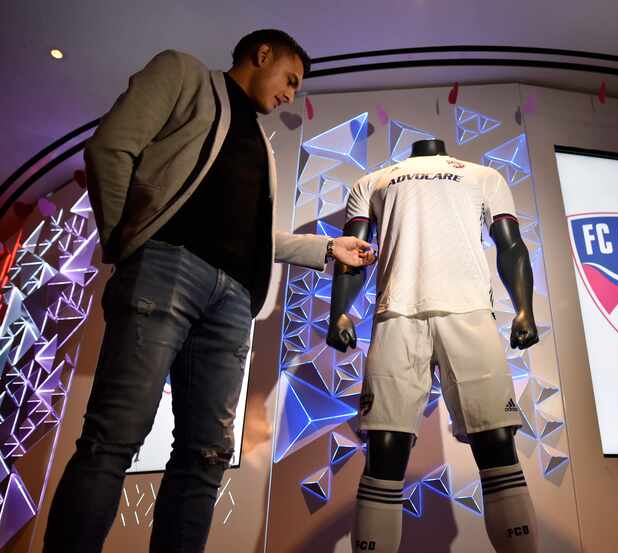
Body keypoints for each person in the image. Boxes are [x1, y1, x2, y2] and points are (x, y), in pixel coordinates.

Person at [43, 29, 374, 553]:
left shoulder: (262, 148)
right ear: (261, 54)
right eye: (290, 79)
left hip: (234, 302)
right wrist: (124, 244)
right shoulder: (183, 73)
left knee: (207, 456)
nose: (291, 94)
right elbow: (110, 147)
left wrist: (327, 250)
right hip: (165, 269)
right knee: (114, 438)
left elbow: (250, 236)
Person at [327, 139, 539, 553]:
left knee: (496, 443)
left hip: (468, 312)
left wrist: (523, 308)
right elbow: (353, 254)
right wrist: (339, 310)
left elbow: (510, 243)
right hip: (397, 314)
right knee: (385, 448)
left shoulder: (484, 176)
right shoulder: (370, 183)